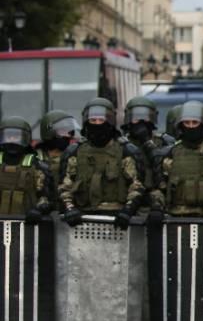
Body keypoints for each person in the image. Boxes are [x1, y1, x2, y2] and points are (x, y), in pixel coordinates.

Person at [58, 98, 146, 229]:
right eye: (93, 120)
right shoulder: (75, 151)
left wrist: (128, 210)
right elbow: (65, 186)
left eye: (101, 120)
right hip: (83, 217)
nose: (97, 124)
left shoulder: (126, 150)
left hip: (117, 216)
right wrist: (69, 208)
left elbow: (136, 185)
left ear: (110, 121)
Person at [148, 101, 203, 224]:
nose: (190, 127)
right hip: (176, 218)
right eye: (187, 123)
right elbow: (160, 188)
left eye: (195, 123)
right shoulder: (169, 155)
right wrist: (157, 207)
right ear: (180, 125)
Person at [122, 97, 174, 207]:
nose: (141, 123)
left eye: (145, 118)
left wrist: (148, 143)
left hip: (159, 201)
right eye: (136, 118)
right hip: (128, 201)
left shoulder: (164, 142)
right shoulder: (122, 144)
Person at [0, 117, 53, 223]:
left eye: (16, 137)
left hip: (26, 224)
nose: (12, 141)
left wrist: (39, 209)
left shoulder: (37, 165)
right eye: (8, 136)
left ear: (25, 138)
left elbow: (46, 197)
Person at [37, 110, 79, 179]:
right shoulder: (34, 158)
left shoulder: (74, 157)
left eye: (69, 132)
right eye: (62, 131)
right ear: (49, 132)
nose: (67, 136)